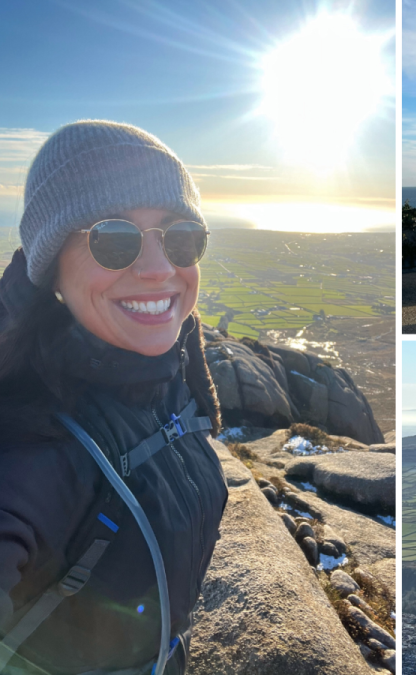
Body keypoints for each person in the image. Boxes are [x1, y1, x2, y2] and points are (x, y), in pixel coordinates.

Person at [0, 121, 227, 674]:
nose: (157, 269)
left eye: (181, 238)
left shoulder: (169, 376)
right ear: (52, 269)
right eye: (114, 239)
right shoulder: (32, 439)